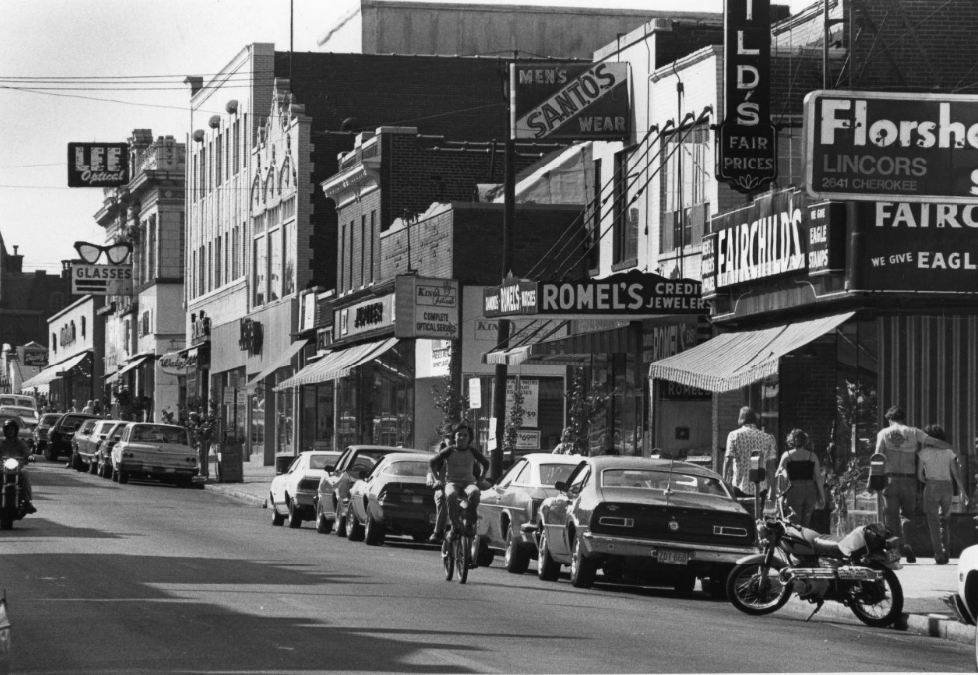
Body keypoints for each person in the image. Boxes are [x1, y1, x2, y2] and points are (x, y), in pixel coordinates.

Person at [875, 405, 951, 564]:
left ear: (890, 419)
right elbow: (934, 441)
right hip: (909, 480)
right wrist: (949, 447)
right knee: (907, 515)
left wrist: (873, 480)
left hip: (890, 479)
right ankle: (908, 544)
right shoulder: (914, 432)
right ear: (903, 419)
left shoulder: (884, 433)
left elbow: (877, 457)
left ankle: (894, 556)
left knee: (891, 518)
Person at [427, 422, 490, 540]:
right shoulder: (447, 451)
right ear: (454, 437)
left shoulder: (472, 451)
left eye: (465, 435)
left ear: (469, 438)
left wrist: (481, 481)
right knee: (447, 496)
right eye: (458, 435)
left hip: (468, 484)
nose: (461, 438)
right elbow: (431, 464)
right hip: (450, 484)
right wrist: (435, 480)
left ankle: (470, 524)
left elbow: (484, 465)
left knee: (475, 492)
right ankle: (446, 528)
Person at [918, 424, 967, 565]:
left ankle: (939, 555)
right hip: (947, 487)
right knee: (945, 521)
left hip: (932, 485)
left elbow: (919, 475)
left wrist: (929, 481)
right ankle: (947, 551)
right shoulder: (948, 453)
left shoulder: (924, 453)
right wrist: (963, 492)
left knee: (933, 522)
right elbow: (956, 474)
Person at [723, 407, 778, 501]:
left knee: (741, 514)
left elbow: (728, 460)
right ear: (754, 420)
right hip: (761, 486)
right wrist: (773, 490)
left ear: (740, 418)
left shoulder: (733, 435)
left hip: (739, 484)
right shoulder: (768, 438)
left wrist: (723, 483)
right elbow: (771, 468)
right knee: (758, 514)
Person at [775, 429, 826, 528]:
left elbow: (778, 474)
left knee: (794, 522)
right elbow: (818, 478)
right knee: (806, 522)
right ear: (805, 440)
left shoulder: (787, 455)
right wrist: (822, 496)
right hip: (810, 490)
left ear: (791, 440)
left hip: (794, 489)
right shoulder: (812, 456)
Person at [0, 420, 35, 513]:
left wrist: (30, 457)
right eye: (8, 429)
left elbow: (27, 452)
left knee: (26, 474)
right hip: (2, 468)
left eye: (12, 429)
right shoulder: (1, 443)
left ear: (15, 431)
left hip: (17, 469)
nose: (10, 431)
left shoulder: (20, 443)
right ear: (5, 431)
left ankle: (27, 501)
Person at [426, 429, 453, 543]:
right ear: (444, 440)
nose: (452, 440)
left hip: (460, 487)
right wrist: (433, 479)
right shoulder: (441, 456)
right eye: (448, 437)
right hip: (443, 488)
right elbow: (431, 468)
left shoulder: (467, 453)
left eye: (453, 437)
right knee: (442, 497)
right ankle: (438, 531)